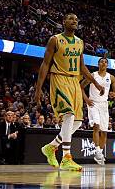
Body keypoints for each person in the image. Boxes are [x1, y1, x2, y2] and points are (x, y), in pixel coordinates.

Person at [34, 13, 104, 171]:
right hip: (59, 79)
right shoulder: (55, 39)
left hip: (74, 82)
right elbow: (45, 64)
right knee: (69, 115)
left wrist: (96, 84)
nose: (74, 21)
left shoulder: (80, 42)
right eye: (71, 18)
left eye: (76, 19)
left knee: (78, 122)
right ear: (63, 21)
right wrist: (38, 89)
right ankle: (66, 157)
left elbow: (82, 67)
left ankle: (51, 147)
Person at [83, 56, 115, 165]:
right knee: (96, 126)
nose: (103, 63)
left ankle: (100, 154)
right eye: (101, 62)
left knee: (104, 132)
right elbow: (80, 87)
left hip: (104, 105)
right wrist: (86, 99)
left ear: (107, 65)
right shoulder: (92, 76)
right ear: (98, 64)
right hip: (93, 103)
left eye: (105, 62)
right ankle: (98, 152)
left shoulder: (111, 77)